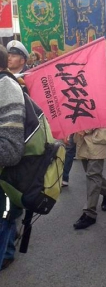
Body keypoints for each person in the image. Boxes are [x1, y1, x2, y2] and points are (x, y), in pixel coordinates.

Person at [72, 71, 106, 230]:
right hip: (81, 135)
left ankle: (89, 213)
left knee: (93, 174)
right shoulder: (79, 78)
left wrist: (85, 128)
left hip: (98, 133)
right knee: (91, 173)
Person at [0, 45, 25, 271]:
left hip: (6, 179)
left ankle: (7, 252)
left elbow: (11, 149)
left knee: (6, 218)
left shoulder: (7, 87)